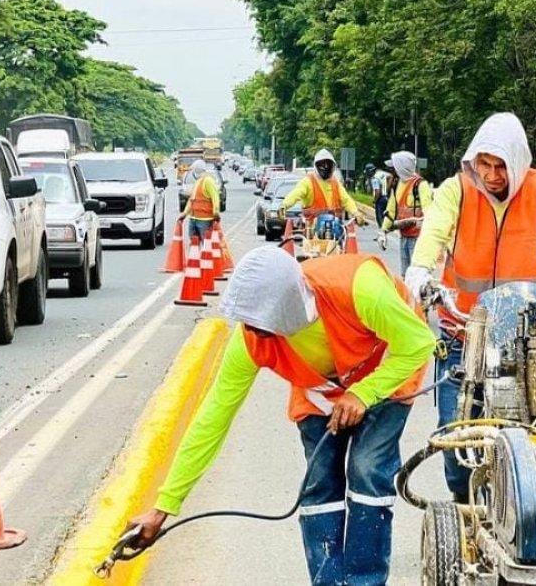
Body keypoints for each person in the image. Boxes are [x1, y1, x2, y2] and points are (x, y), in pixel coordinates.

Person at [126, 247, 436, 585]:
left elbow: (419, 343)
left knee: (367, 468)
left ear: (287, 311)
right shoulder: (251, 340)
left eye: (261, 326)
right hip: (322, 392)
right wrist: (163, 508)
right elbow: (212, 420)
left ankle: (365, 581)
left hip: (391, 368)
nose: (253, 333)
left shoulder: (359, 287)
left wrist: (364, 392)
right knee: (320, 482)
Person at [403, 112, 536, 503]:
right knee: (456, 437)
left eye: (500, 165)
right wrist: (419, 271)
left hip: (530, 339)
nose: (491, 174)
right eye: (483, 164)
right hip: (464, 333)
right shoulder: (457, 190)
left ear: (517, 163)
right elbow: (433, 232)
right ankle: (464, 510)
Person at [379, 151, 433, 274]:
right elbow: (391, 211)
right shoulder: (398, 184)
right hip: (404, 237)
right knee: (405, 274)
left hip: (418, 239)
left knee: (418, 275)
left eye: (395, 167)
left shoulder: (420, 185)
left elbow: (429, 213)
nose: (393, 170)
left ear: (402, 168)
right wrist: (383, 231)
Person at [280, 149, 362, 223]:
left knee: (350, 237)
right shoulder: (308, 182)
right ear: (316, 166)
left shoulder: (335, 183)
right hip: (312, 231)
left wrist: (356, 213)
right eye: (322, 164)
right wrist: (284, 206)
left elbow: (346, 200)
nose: (326, 167)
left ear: (333, 166)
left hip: (336, 230)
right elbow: (295, 195)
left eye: (328, 164)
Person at [179, 159, 221, 243]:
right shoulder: (198, 182)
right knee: (194, 244)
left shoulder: (208, 181)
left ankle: (204, 256)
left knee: (206, 244)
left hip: (205, 219)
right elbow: (192, 200)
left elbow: (215, 197)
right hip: (194, 219)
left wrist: (216, 212)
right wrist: (184, 214)